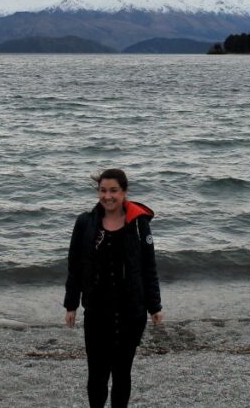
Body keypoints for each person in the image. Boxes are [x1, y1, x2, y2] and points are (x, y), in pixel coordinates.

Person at [64, 168, 163, 408]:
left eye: (113, 191)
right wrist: (71, 304)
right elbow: (75, 265)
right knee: (97, 373)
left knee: (122, 373)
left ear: (124, 192)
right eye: (103, 191)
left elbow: (149, 267)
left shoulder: (139, 225)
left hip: (131, 312)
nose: (108, 196)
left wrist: (155, 306)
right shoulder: (85, 223)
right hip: (97, 311)